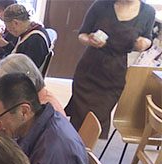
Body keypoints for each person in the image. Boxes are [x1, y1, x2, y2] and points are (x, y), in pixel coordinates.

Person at [65, 0, 155, 138]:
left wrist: (144, 43)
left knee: (97, 120)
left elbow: (148, 39)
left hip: (114, 75)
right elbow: (82, 34)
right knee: (78, 118)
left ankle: (84, 153)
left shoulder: (148, 12)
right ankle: (72, 152)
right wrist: (89, 40)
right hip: (89, 70)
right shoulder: (101, 5)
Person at [0, 53, 66, 117]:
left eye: (6, 88)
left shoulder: (45, 111)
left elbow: (21, 145)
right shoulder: (37, 98)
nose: (3, 94)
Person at [0, 4, 51, 69]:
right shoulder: (31, 29)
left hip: (23, 78)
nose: (8, 30)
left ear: (15, 23)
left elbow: (25, 69)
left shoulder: (36, 39)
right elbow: (20, 55)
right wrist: (5, 45)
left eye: (8, 27)